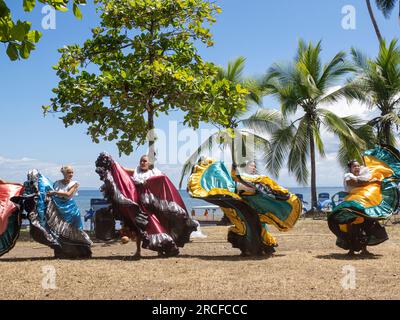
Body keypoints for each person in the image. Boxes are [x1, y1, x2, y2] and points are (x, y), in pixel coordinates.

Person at [47, 165, 82, 230]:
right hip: (57, 206)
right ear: (64, 173)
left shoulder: (74, 184)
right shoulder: (57, 183)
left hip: (70, 208)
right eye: (69, 172)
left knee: (72, 227)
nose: (71, 174)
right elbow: (50, 193)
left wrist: (54, 192)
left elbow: (68, 194)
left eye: (72, 172)